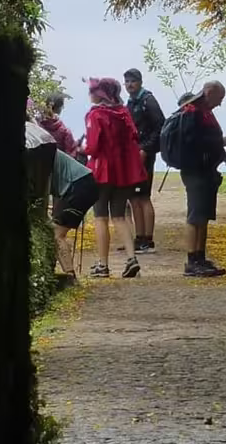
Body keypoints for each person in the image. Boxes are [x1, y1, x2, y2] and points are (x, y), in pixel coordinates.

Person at [82, 76, 146, 278]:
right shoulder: (123, 112)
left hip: (102, 171)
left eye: (92, 91)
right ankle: (131, 258)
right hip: (124, 171)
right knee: (119, 216)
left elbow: (93, 147)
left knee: (100, 217)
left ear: (99, 94)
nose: (90, 95)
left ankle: (103, 265)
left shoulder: (95, 115)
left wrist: (81, 148)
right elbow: (134, 138)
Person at [177, 79, 226, 277]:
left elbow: (206, 138)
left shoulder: (205, 112)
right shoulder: (191, 112)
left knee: (203, 215)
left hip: (206, 171)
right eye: (219, 98)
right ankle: (191, 260)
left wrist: (221, 144)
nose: (220, 103)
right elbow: (192, 140)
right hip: (195, 170)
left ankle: (200, 257)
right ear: (209, 93)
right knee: (195, 215)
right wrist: (219, 141)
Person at [123, 67, 166, 253]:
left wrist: (146, 149)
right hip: (132, 156)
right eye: (127, 82)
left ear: (140, 82)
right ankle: (139, 237)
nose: (130, 85)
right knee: (134, 198)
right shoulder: (131, 103)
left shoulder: (148, 100)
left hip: (144, 156)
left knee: (144, 196)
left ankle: (148, 239)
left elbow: (160, 127)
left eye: (133, 81)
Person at [49, 143, 97, 284]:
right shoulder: (43, 149)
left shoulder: (37, 153)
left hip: (78, 186)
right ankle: (62, 272)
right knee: (55, 228)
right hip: (81, 183)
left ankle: (70, 277)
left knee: (56, 233)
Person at [32, 92, 80, 157]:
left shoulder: (34, 124)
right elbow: (70, 155)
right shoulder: (65, 132)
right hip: (56, 165)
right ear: (60, 108)